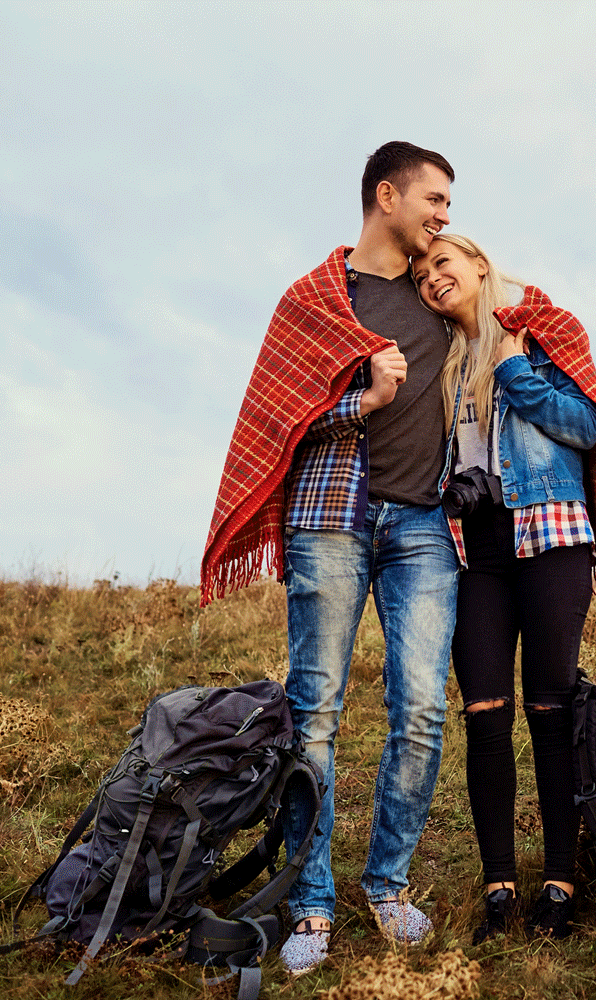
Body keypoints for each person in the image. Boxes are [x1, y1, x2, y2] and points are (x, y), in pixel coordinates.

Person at [200, 141, 460, 971]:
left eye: (449, 206)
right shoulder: (316, 301)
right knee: (315, 713)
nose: (444, 216)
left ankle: (387, 884)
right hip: (331, 520)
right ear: (388, 195)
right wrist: (365, 399)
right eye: (435, 199)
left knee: (419, 711)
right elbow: (278, 424)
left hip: (424, 526)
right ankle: (310, 903)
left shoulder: (440, 298)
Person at [410, 234, 596, 940]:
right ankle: (500, 887)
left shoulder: (540, 332)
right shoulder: (440, 362)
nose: (432, 278)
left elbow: (587, 424)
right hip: (477, 549)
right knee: (484, 713)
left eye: (443, 262)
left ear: (478, 264)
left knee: (551, 708)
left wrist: (515, 374)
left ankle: (560, 885)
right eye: (420, 274)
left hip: (552, 533)